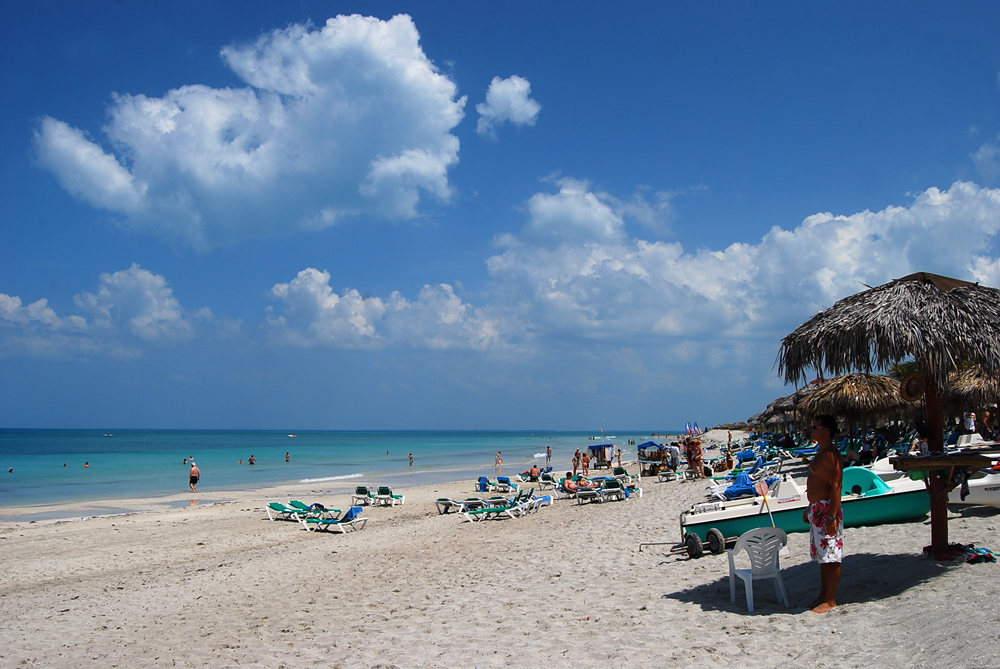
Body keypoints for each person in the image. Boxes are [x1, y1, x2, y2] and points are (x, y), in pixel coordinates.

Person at [803, 414, 844, 614]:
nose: (811, 429)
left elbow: (836, 486)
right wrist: (810, 508)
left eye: (815, 427)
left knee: (832, 555)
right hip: (818, 509)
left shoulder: (831, 455)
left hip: (828, 510)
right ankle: (823, 595)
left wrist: (832, 516)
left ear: (826, 430)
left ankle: (831, 599)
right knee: (823, 556)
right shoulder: (821, 452)